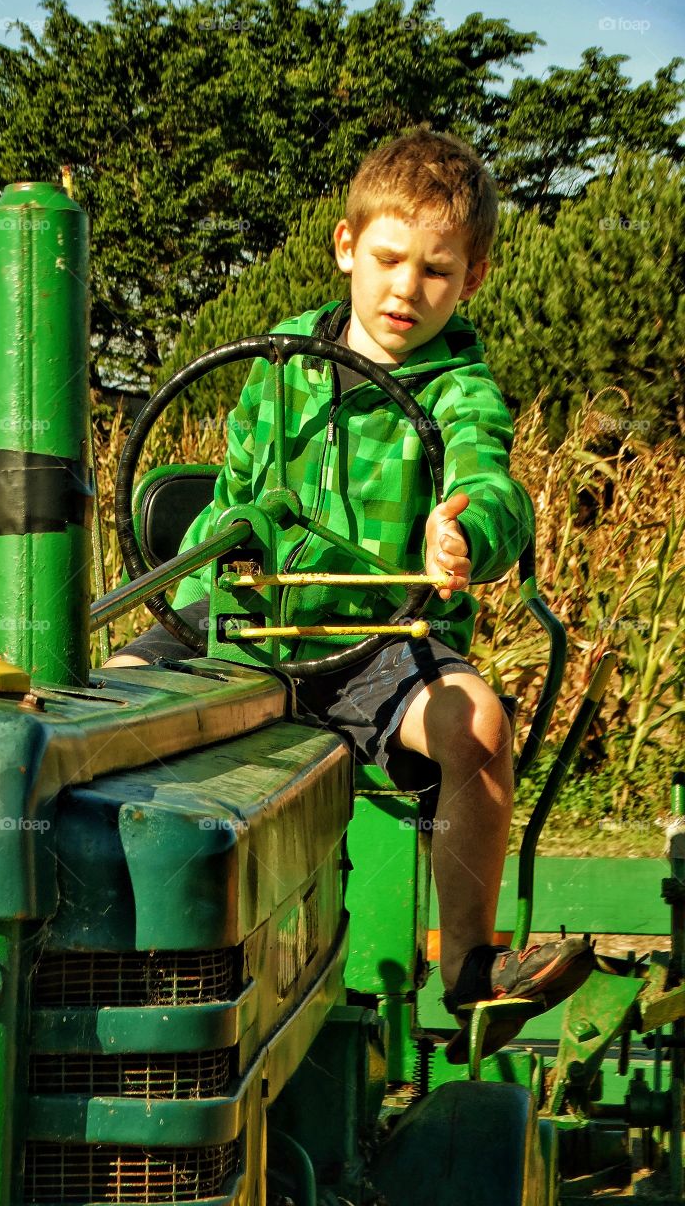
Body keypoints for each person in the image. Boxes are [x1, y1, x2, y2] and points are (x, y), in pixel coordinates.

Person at [106, 129, 593, 1058]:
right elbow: (237, 488)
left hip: (379, 642)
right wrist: (231, 546)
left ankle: (470, 970)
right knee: (99, 704)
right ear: (345, 247)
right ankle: (114, 956)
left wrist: (463, 530)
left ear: (472, 280)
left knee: (477, 725)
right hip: (253, 622)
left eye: (437, 271)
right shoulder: (281, 357)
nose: (407, 289)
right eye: (388, 259)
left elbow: (493, 486)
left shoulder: (459, 386)